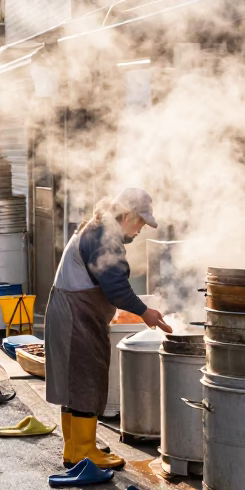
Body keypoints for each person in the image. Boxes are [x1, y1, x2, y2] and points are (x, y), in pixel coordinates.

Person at [45, 188, 173, 469]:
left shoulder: (99, 227)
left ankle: (75, 448)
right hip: (76, 315)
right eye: (140, 221)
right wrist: (146, 312)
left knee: (74, 382)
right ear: (126, 215)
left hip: (70, 311)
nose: (141, 229)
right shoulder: (105, 237)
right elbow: (116, 288)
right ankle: (84, 451)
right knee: (86, 379)